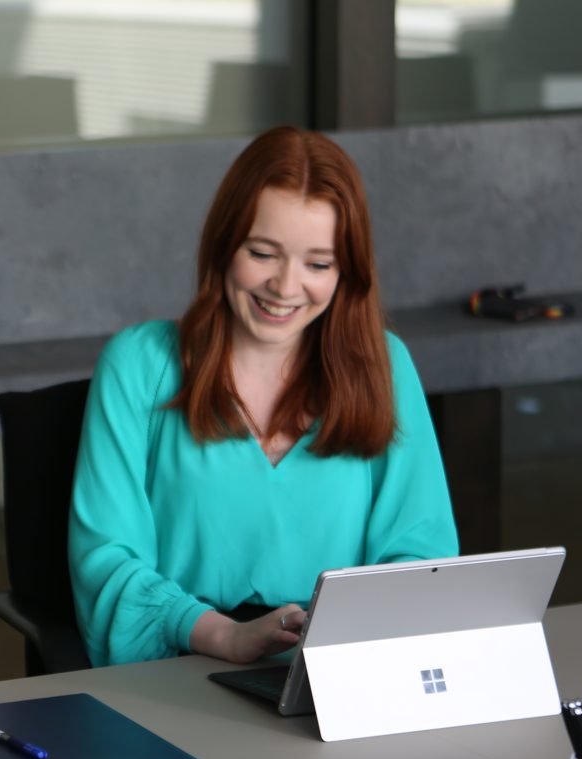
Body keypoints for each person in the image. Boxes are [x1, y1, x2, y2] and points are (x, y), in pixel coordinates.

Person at [68, 126, 458, 668]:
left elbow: (422, 557)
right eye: (263, 253)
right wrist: (227, 637)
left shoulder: (383, 365)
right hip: (181, 666)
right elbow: (107, 563)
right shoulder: (137, 365)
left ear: (346, 272)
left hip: (336, 672)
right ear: (225, 245)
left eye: (318, 264)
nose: (285, 286)